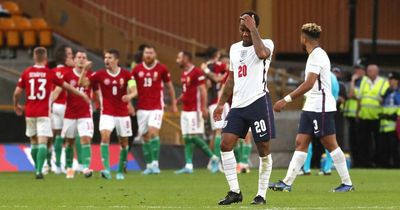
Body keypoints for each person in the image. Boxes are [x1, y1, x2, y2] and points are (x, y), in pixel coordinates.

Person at [269, 23, 353, 192]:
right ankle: (287, 183)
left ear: (304, 38)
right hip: (311, 105)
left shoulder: (317, 55)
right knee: (301, 142)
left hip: (320, 105)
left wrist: (286, 99)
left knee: (330, 144)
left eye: (300, 37)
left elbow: (309, 83)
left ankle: (347, 183)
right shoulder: (315, 55)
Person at [214, 11, 275, 205]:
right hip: (238, 105)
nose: (244, 34)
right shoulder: (233, 49)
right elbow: (231, 79)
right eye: (242, 30)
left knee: (263, 149)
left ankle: (261, 195)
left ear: (255, 28)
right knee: (225, 144)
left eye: (247, 30)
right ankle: (234, 191)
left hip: (258, 102)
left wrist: (253, 29)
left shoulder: (267, 44)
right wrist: (220, 103)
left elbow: (262, 54)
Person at [13, 47, 89, 179]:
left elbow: (17, 92)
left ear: (34, 58)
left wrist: (16, 105)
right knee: (46, 141)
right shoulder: (50, 73)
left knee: (34, 142)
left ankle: (44, 166)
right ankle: (40, 170)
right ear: (46, 58)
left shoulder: (27, 72)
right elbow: (67, 86)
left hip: (31, 112)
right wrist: (82, 95)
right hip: (45, 111)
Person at [79, 49, 137, 180]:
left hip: (122, 114)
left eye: (109, 57)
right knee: (105, 137)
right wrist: (84, 70)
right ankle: (106, 170)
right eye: (105, 57)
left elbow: (135, 91)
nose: (106, 60)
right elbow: (82, 83)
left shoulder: (127, 75)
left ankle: (121, 171)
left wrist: (130, 96)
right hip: (107, 113)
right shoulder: (99, 75)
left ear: (116, 60)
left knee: (124, 144)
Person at [132, 45, 177, 174]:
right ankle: (149, 165)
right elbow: (130, 84)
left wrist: (173, 103)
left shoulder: (162, 68)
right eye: (146, 53)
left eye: (151, 52)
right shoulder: (136, 69)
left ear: (155, 54)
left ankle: (155, 164)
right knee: (145, 136)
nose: (148, 55)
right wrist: (129, 97)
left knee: (153, 132)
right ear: (143, 54)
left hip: (156, 107)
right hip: (141, 108)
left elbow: (170, 87)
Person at [175, 51, 219, 174]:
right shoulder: (184, 73)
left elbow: (203, 90)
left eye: (179, 57)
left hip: (195, 110)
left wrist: (203, 108)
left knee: (193, 137)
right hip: (185, 110)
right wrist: (178, 100)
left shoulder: (197, 72)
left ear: (186, 58)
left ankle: (214, 158)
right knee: (187, 138)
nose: (177, 60)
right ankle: (189, 165)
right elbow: (186, 91)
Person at [52, 50, 95, 178]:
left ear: (86, 60)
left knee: (85, 139)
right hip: (70, 113)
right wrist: (48, 103)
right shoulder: (67, 75)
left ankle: (86, 167)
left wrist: (100, 103)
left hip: (85, 113)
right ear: (74, 60)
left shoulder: (90, 75)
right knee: (69, 142)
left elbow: (94, 91)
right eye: (79, 57)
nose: (81, 59)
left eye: (84, 57)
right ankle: (69, 168)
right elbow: (57, 91)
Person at [200, 47, 229, 173]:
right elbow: (218, 79)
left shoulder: (205, 68)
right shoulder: (221, 66)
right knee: (219, 131)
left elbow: (207, 84)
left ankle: (211, 161)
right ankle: (217, 161)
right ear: (217, 54)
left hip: (212, 103)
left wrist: (205, 70)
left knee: (214, 133)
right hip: (219, 103)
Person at [357, 64, 389, 167]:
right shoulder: (364, 81)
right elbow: (360, 98)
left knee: (378, 141)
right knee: (364, 141)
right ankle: (365, 162)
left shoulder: (383, 82)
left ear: (376, 72)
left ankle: (377, 162)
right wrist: (358, 111)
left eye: (371, 71)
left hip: (377, 116)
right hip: (364, 116)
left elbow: (385, 98)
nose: (368, 72)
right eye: (368, 70)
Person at [50, 45, 75, 174]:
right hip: (66, 106)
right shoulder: (70, 71)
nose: (72, 56)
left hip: (55, 107)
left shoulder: (52, 71)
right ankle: (69, 167)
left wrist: (49, 105)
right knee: (70, 138)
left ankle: (57, 166)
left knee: (58, 136)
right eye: (69, 54)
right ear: (64, 56)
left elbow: (51, 91)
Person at [343, 64, 365, 167]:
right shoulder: (355, 82)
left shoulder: (363, 82)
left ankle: (361, 162)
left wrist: (352, 81)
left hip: (359, 115)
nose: (356, 71)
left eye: (358, 69)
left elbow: (352, 94)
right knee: (353, 141)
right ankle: (356, 162)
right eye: (355, 69)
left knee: (360, 140)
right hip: (350, 115)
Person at [378, 72, 400, 168]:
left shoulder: (398, 92)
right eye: (389, 79)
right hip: (384, 126)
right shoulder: (387, 92)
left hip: (394, 125)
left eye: (392, 79)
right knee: (385, 147)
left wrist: (393, 116)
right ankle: (385, 164)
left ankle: (396, 165)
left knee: (394, 148)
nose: (390, 81)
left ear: (397, 81)